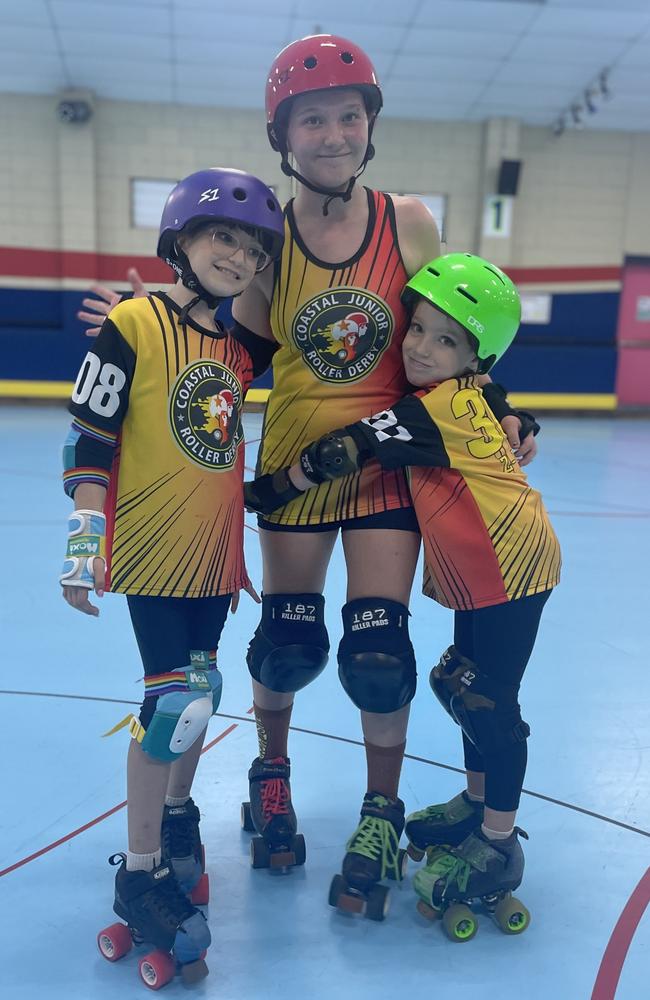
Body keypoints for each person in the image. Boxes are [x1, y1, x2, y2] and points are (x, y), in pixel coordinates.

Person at [76, 35, 537, 901]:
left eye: (349, 116)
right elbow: (237, 349)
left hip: (386, 458)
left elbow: (447, 331)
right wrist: (150, 324)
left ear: (370, 127)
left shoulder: (408, 220)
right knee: (285, 646)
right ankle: (271, 775)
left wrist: (502, 403)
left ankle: (380, 807)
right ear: (283, 137)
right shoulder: (269, 237)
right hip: (293, 459)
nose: (334, 133)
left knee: (379, 655)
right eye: (313, 119)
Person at [244, 252, 560, 932]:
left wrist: (261, 491)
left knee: (488, 703)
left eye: (445, 341)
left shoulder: (433, 410)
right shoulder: (456, 394)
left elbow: (341, 453)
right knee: (462, 682)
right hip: (486, 571)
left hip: (512, 570)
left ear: (476, 358)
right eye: (417, 329)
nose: (418, 348)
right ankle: (477, 804)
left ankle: (499, 846)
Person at [61, 168, 284, 984]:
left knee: (202, 695)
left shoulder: (233, 349)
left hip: (214, 564)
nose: (238, 254)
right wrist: (84, 542)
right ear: (180, 242)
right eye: (222, 235)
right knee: (170, 707)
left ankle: (176, 823)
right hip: (154, 555)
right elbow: (89, 439)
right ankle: (142, 869)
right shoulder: (131, 323)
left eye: (253, 247)